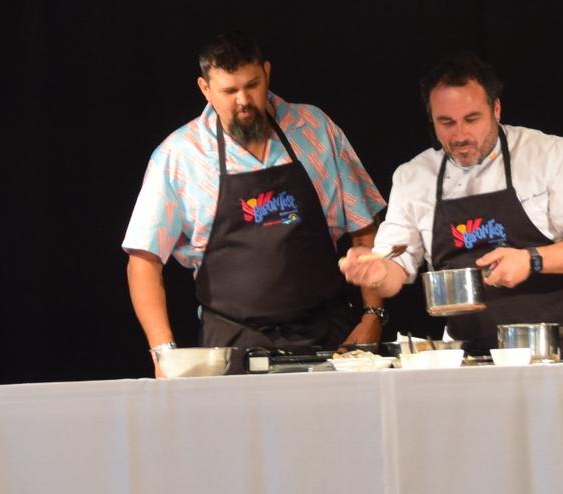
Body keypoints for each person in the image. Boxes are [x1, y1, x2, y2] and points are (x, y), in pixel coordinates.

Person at [123, 31, 387, 371]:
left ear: (267, 73)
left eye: (253, 85)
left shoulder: (314, 129)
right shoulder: (179, 157)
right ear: (205, 89)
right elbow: (143, 262)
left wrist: (373, 316)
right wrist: (163, 352)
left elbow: (365, 229)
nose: (243, 101)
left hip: (329, 340)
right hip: (233, 344)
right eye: (229, 91)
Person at [339, 53, 563, 352]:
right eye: (446, 122)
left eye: (471, 119)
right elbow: (394, 268)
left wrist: (530, 260)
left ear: (496, 109)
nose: (460, 135)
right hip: (471, 352)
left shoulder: (548, 154)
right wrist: (375, 273)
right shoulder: (414, 178)